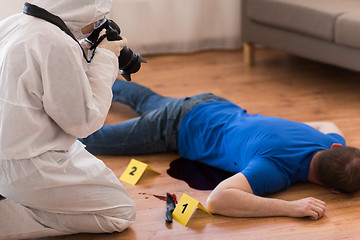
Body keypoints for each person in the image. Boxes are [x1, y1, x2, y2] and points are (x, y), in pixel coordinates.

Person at [80, 80, 360, 221]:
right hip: (175, 126)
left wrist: (282, 131)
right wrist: (291, 207)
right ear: (333, 190)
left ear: (336, 146)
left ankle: (92, 74)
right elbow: (218, 200)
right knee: (91, 139)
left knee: (144, 98)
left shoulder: (325, 139)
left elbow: (328, 123)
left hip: (211, 103)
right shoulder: (275, 169)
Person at [0, 1, 135, 239]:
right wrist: (104, 58)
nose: (96, 25)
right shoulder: (55, 43)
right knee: (120, 212)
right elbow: (83, 122)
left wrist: (80, 51)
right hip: (29, 163)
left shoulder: (14, 24)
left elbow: (45, 78)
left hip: (13, 149)